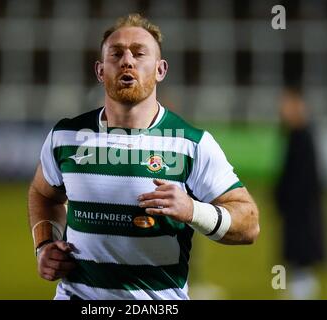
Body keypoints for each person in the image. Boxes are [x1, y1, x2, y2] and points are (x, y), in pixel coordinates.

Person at [27, 13, 260, 300]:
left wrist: (193, 211)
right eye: (116, 54)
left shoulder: (191, 144)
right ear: (100, 71)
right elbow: (43, 193)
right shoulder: (65, 136)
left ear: (160, 70)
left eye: (139, 53)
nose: (127, 61)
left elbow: (249, 223)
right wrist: (44, 245)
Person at [274, 87, 327, 299]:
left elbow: (306, 180)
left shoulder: (303, 136)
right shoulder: (294, 135)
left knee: (301, 257)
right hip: (294, 211)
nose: (282, 110)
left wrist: (288, 200)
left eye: (287, 105)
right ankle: (292, 289)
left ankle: (300, 292)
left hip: (302, 212)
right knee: (293, 259)